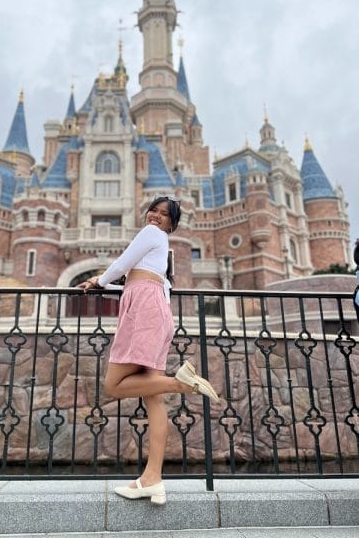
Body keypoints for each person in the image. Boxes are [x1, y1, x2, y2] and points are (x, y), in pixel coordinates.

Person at [78, 196, 220, 505]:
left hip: (143, 313)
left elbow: (122, 265)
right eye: (152, 210)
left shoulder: (151, 235)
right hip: (155, 311)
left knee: (113, 385)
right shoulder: (161, 252)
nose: (155, 216)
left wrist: (100, 279)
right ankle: (153, 479)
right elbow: (139, 282)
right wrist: (105, 285)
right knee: (154, 400)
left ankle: (184, 384)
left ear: (172, 223)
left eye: (163, 214)